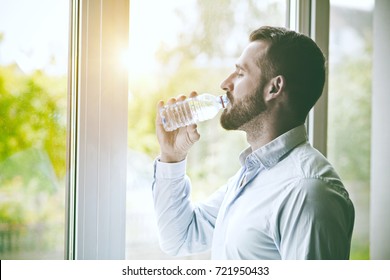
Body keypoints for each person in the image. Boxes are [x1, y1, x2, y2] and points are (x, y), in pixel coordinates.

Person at [152, 26, 355, 260]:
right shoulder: (251, 175)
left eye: (239, 73)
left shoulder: (308, 191)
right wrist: (172, 157)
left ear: (274, 88)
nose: (225, 83)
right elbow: (180, 238)